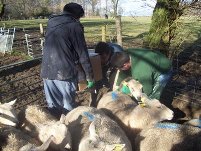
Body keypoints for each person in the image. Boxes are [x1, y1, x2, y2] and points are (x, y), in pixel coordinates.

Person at [41, 3, 94, 117]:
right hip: (64, 72)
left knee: (53, 105)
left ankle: (56, 129)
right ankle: (69, 129)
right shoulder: (74, 26)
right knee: (68, 106)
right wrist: (89, 76)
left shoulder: (51, 23)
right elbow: (82, 54)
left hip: (47, 70)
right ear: (77, 16)